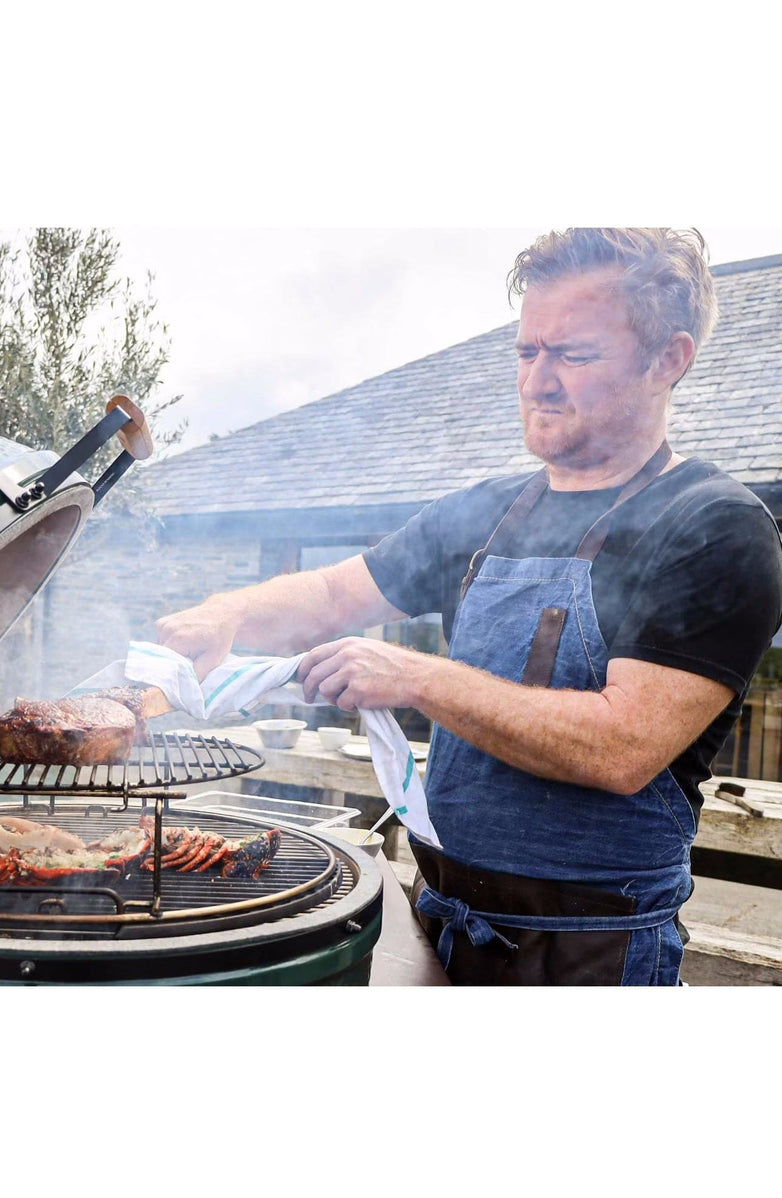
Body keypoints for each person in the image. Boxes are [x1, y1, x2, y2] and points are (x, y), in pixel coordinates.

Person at [155, 228, 782, 986]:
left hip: (591, 951)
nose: (538, 381)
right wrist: (225, 615)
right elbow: (330, 592)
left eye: (573, 355)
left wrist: (416, 678)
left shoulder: (715, 525)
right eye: (527, 352)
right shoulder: (489, 510)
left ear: (667, 360)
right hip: (441, 923)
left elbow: (622, 747)